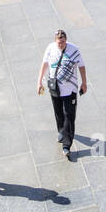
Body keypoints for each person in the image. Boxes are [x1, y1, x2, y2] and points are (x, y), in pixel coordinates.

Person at [37, 28, 86, 160]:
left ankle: (66, 144)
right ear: (55, 41)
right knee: (58, 112)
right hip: (55, 88)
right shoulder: (50, 48)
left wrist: (84, 83)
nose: (61, 44)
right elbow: (45, 64)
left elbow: (81, 66)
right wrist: (39, 81)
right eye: (59, 42)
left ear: (66, 40)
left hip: (70, 90)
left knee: (69, 116)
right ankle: (61, 131)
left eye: (63, 42)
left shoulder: (74, 50)